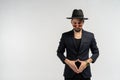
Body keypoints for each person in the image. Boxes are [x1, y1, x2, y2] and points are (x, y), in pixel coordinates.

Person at [57, 9, 99, 80]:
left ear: (83, 22)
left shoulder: (90, 36)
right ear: (71, 22)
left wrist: (86, 63)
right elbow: (59, 52)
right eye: (74, 23)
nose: (77, 25)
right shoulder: (65, 36)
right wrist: (69, 62)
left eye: (79, 23)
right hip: (69, 74)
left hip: (85, 74)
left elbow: (96, 52)